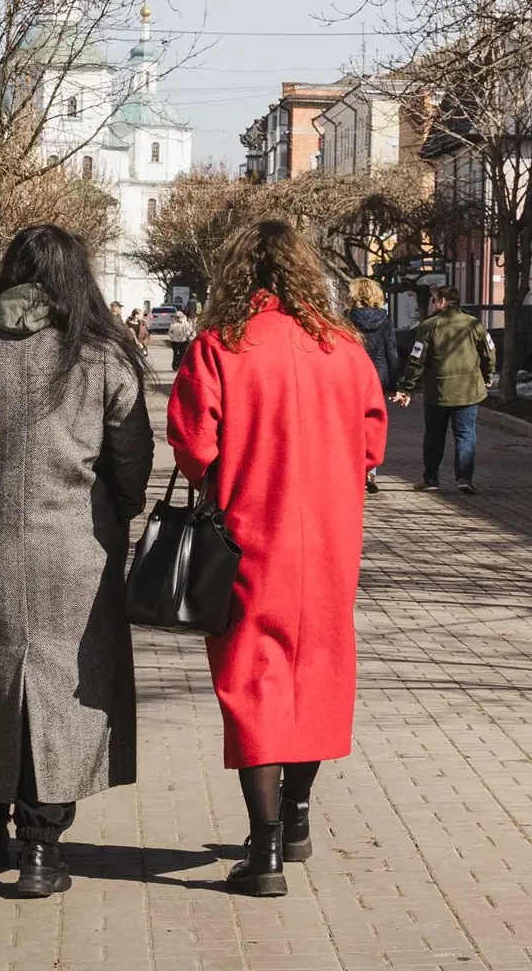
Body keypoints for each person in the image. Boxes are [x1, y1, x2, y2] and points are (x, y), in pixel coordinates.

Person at [0, 224, 153, 899]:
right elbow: (132, 456)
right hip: (76, 549)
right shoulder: (103, 355)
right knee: (60, 693)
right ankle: (42, 849)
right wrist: (118, 510)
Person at [167, 220, 387, 899]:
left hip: (246, 536)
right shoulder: (345, 348)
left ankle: (262, 852)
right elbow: (373, 442)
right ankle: (296, 815)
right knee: (316, 673)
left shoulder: (218, 346)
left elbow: (192, 444)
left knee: (254, 685)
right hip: (327, 541)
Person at [392, 286, 494, 494]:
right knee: (465, 435)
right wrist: (488, 376)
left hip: (437, 391)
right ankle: (464, 478)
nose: (431, 304)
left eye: (433, 300)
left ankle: (431, 479)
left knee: (434, 436)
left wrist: (407, 388)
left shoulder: (429, 326)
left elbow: (416, 360)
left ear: (441, 302)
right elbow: (489, 352)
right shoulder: (474, 324)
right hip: (468, 390)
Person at [345, 278, 401, 494]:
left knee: (353, 425)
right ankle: (371, 471)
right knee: (373, 424)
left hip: (352, 376)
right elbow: (392, 353)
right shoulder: (385, 321)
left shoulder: (346, 320)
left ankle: (357, 468)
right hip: (379, 376)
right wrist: (395, 384)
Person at [166, 305, 196, 370]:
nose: (178, 318)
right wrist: (172, 336)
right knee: (176, 354)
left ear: (182, 317)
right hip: (175, 341)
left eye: (179, 317)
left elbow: (189, 330)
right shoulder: (173, 323)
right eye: (176, 317)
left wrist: (187, 335)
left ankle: (180, 366)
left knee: (182, 354)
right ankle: (175, 366)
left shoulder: (185, 323)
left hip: (183, 341)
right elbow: (169, 332)